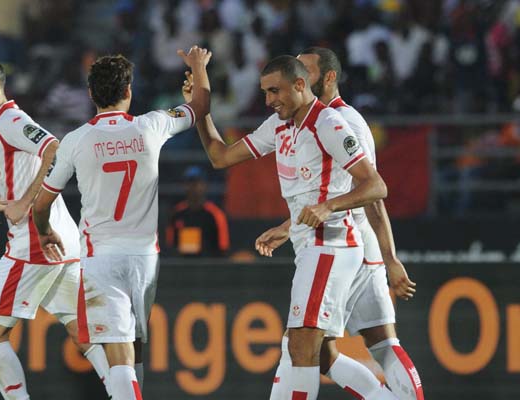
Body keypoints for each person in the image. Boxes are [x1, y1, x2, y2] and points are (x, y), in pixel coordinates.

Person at [184, 55, 392, 399]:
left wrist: (328, 206)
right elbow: (220, 157)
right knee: (318, 354)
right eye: (265, 92)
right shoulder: (278, 125)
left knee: (300, 346)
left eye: (275, 91)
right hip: (309, 247)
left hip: (331, 245)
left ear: (299, 85)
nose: (269, 100)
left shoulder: (328, 123)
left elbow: (376, 186)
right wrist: (200, 108)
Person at [32, 47, 212, 400]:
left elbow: (41, 204)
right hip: (145, 258)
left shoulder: (76, 140)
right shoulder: (152, 124)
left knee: (120, 357)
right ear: (128, 90)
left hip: (102, 258)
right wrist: (198, 66)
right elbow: (201, 105)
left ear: (90, 94)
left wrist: (44, 231)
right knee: (136, 347)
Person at [258, 47, 423, 400]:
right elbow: (324, 188)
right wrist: (290, 225)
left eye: (307, 71)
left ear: (329, 77)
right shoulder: (307, 120)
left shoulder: (342, 120)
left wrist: (390, 257)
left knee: (304, 344)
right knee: (354, 345)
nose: (300, 76)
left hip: (347, 240)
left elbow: (370, 189)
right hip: (347, 238)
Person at [0, 55, 110, 400]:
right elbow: (25, 181)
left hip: (34, 243)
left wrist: (25, 202)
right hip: (63, 242)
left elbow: (55, 149)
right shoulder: (2, 125)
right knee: (84, 335)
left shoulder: (9, 120)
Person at [166, 165, 230, 257]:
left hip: (208, 263)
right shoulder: (177, 213)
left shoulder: (215, 214)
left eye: (197, 183)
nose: (193, 187)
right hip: (182, 263)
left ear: (205, 185)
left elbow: (223, 247)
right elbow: (170, 246)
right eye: (189, 183)